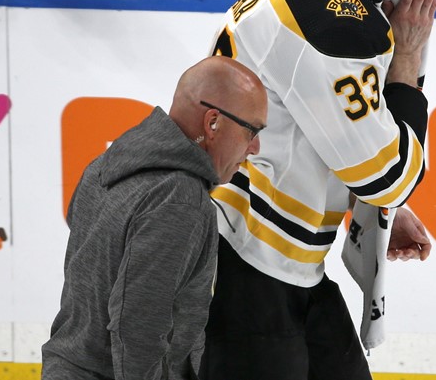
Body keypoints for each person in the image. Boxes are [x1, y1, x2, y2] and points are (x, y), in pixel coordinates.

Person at [199, 0, 436, 379]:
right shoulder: (331, 24)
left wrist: (377, 207)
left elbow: (321, 130)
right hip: (247, 270)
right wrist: (406, 58)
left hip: (284, 263)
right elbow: (389, 177)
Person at [41, 55, 268, 380]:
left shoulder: (105, 164)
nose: (256, 147)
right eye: (252, 130)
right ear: (213, 122)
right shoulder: (179, 198)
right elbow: (138, 324)